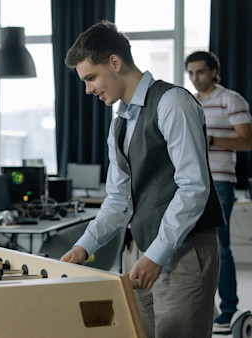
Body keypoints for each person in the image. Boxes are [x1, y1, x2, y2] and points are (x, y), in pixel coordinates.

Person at [60, 21, 225, 338]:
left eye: (91, 77)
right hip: (137, 254)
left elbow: (194, 189)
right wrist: (83, 247)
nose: (88, 89)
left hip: (183, 252)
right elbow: (119, 200)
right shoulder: (118, 124)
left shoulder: (173, 103)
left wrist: (156, 254)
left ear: (115, 62)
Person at [185, 50, 252, 333]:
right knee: (193, 248)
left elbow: (247, 141)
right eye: (190, 73)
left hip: (220, 182)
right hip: (191, 182)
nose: (195, 77)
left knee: (220, 247)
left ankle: (227, 312)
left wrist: (210, 138)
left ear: (214, 71)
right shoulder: (188, 102)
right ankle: (203, 309)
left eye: (200, 71)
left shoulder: (230, 99)